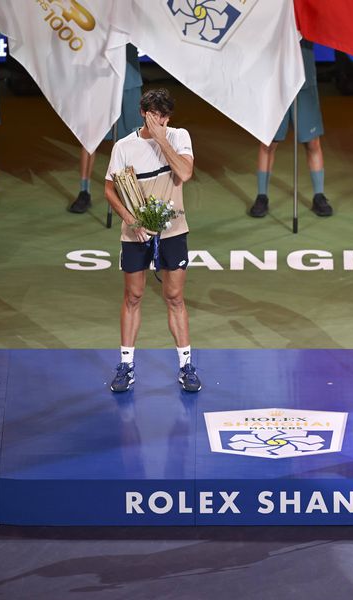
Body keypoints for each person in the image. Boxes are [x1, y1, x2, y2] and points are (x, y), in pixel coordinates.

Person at [104, 88, 201, 393]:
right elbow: (109, 189)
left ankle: (186, 366)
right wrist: (129, 219)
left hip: (173, 230)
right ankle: (126, 366)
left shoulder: (179, 137)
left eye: (166, 116)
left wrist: (161, 139)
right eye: (156, 115)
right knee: (133, 297)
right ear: (143, 113)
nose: (162, 121)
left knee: (175, 297)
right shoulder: (123, 146)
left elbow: (185, 173)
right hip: (136, 232)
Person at [250, 39, 333, 218]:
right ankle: (262, 196)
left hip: (304, 82)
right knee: (268, 142)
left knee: (313, 143)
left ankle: (319, 195)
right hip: (275, 85)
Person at [70, 44, 142, 213]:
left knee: (130, 140)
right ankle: (84, 191)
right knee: (90, 139)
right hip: (99, 81)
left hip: (129, 79)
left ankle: (130, 191)